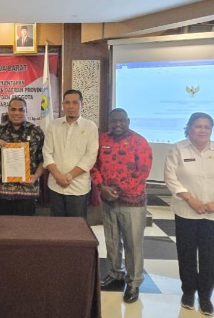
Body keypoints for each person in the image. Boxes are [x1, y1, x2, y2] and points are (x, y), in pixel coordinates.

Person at [164, 112, 214, 316]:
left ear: (211, 130)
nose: (202, 130)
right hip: (186, 211)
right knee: (186, 254)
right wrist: (190, 199)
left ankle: (205, 296)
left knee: (209, 256)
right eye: (198, 126)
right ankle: (188, 292)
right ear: (189, 128)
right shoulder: (177, 149)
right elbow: (170, 177)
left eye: (207, 127)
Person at [91, 108, 152, 304]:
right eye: (114, 121)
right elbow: (93, 165)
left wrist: (117, 190)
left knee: (133, 244)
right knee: (112, 241)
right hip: (108, 201)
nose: (117, 124)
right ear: (109, 122)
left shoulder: (139, 142)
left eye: (121, 120)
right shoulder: (102, 140)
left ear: (128, 121)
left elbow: (142, 172)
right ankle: (115, 273)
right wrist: (102, 187)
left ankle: (134, 282)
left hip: (132, 203)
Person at [0, 97, 45, 216]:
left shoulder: (37, 132)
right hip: (1, 192)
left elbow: (44, 159)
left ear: (26, 111)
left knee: (25, 226)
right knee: (2, 226)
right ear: (8, 110)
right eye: (13, 109)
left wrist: (35, 177)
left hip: (28, 191)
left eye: (21, 110)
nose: (17, 113)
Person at [42, 89, 99, 218]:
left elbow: (90, 157)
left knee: (76, 227)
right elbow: (47, 153)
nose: (71, 106)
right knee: (57, 226)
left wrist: (68, 177)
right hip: (55, 185)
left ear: (82, 104)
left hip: (78, 188)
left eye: (75, 102)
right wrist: (58, 177)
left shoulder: (90, 127)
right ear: (63, 105)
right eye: (67, 103)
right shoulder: (53, 125)